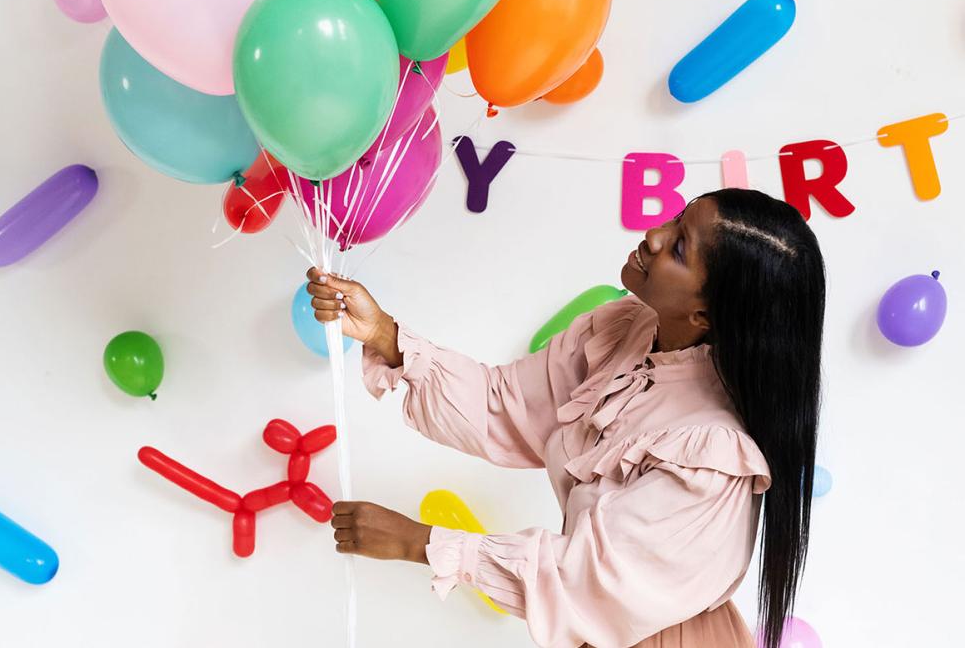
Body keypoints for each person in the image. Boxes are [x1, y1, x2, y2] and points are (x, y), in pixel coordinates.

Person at [307, 188, 825, 648]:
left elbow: (587, 582)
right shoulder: (624, 332)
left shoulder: (711, 454)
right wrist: (385, 335)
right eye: (676, 219)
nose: (653, 236)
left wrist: (419, 542)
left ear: (705, 315)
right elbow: (503, 405)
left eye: (679, 248)